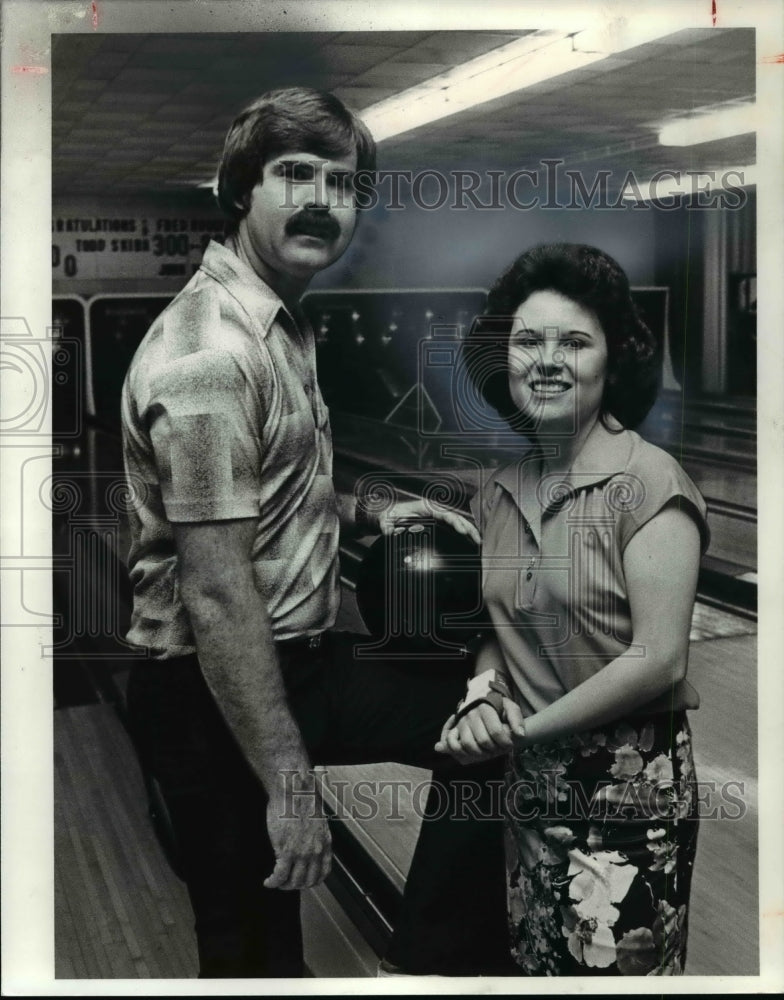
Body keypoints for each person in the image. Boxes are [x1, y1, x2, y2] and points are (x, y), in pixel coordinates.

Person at [120, 86, 509, 978]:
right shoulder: (215, 354)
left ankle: (428, 966)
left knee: (486, 726)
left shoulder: (278, 324)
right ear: (239, 189)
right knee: (256, 953)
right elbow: (217, 592)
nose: (320, 200)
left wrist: (369, 507)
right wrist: (293, 788)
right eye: (294, 173)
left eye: (342, 183)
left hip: (297, 661)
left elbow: (266, 498)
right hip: (208, 691)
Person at [435, 243, 708, 976]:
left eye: (575, 342)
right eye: (528, 340)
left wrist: (518, 732)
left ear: (611, 361)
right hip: (529, 785)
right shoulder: (501, 488)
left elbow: (659, 658)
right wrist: (483, 692)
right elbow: (503, 628)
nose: (548, 360)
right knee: (537, 964)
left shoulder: (649, 481)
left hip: (627, 794)